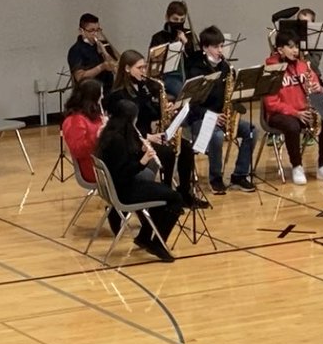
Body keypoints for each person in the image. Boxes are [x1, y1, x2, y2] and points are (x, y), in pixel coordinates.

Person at [108, 49, 205, 208]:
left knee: (186, 146)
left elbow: (150, 112)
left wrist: (164, 109)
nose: (144, 71)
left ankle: (185, 193)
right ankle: (167, 195)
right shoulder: (118, 95)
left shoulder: (143, 87)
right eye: (140, 68)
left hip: (149, 136)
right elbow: (123, 127)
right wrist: (148, 137)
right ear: (126, 69)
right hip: (133, 142)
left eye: (144, 67)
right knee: (168, 152)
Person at [95, 98, 184, 262]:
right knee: (176, 198)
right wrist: (143, 161)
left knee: (162, 193)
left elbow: (122, 163)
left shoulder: (111, 133)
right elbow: (123, 174)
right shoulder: (117, 141)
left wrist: (138, 152)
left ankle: (144, 237)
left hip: (119, 187)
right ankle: (157, 243)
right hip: (123, 191)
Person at [185, 25, 257, 195]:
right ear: (204, 48)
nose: (220, 50)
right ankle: (215, 178)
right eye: (216, 46)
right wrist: (212, 116)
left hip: (222, 117)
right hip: (200, 119)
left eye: (222, 46)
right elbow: (192, 105)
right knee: (216, 137)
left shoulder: (225, 67)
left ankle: (239, 175)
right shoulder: (196, 70)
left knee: (252, 131)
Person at [263, 29, 323, 186]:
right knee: (292, 126)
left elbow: (318, 90)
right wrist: (295, 113)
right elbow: (271, 104)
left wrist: (320, 89)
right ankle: (297, 166)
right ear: (279, 49)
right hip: (280, 114)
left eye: (296, 46)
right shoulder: (271, 70)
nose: (295, 50)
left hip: (304, 111)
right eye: (290, 47)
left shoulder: (304, 66)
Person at [148, 1, 195, 97]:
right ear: (167, 17)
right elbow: (153, 64)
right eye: (175, 19)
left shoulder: (189, 34)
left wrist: (186, 43)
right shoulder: (158, 37)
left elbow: (194, 57)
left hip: (187, 73)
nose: (178, 23)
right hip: (168, 76)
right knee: (183, 94)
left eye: (182, 20)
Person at [62, 78, 105, 182]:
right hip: (94, 168)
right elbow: (78, 150)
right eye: (101, 94)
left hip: (104, 162)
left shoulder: (94, 115)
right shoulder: (74, 120)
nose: (102, 97)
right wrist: (98, 136)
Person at [68, 13, 117, 94]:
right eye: (91, 30)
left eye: (98, 30)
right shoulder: (76, 50)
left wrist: (104, 52)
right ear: (81, 31)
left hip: (108, 90)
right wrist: (102, 67)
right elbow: (80, 77)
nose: (95, 34)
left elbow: (116, 67)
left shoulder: (102, 44)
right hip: (89, 94)